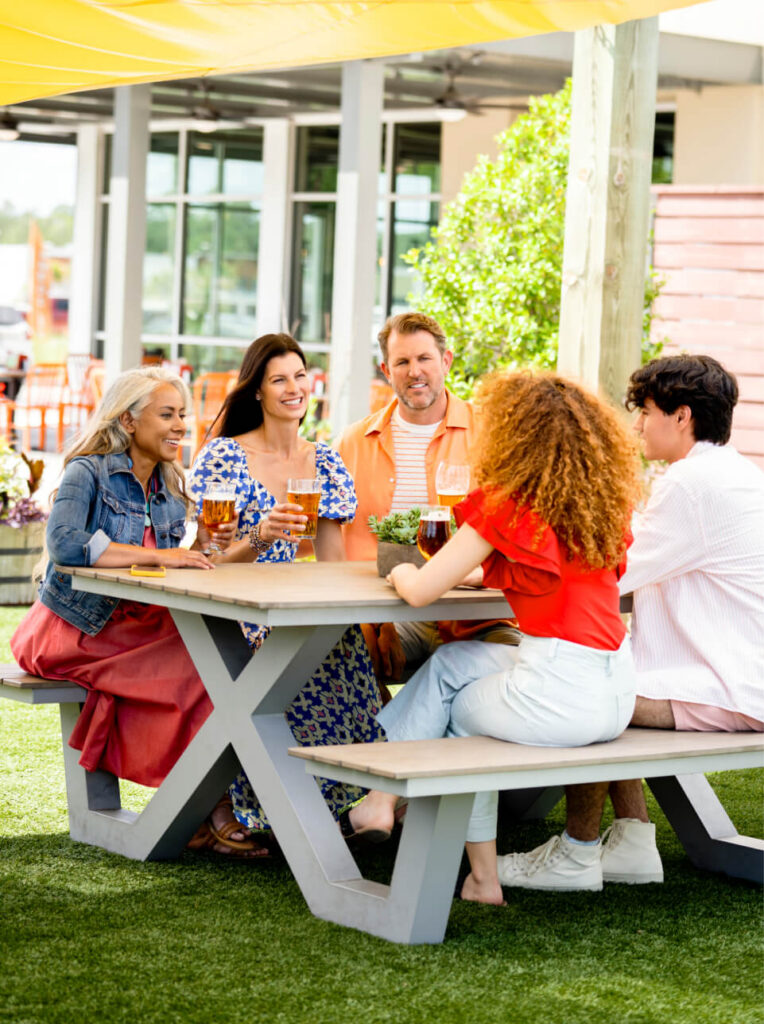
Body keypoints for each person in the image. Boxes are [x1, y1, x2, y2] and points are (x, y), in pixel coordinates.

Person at [342, 370, 642, 905]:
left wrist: (399, 573)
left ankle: (482, 879)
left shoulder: (504, 504)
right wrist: (468, 572)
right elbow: (548, 574)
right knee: (452, 663)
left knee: (457, 714)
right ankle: (382, 797)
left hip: (560, 695)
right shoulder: (598, 506)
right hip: (615, 689)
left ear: (511, 435)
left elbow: (418, 592)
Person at [500, 354, 764, 892]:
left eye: (645, 411)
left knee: (586, 690)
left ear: (681, 416)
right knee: (605, 676)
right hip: (735, 677)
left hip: (730, 687)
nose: (639, 425)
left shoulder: (692, 484)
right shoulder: (732, 471)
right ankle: (636, 843)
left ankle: (575, 853)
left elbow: (609, 573)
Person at [8, 367, 259, 856]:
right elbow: (64, 545)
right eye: (166, 414)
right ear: (128, 420)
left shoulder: (168, 485)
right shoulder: (88, 470)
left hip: (133, 623)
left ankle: (195, 805)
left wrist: (202, 545)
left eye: (182, 414)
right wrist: (163, 556)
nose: (180, 426)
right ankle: (209, 808)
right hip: (75, 626)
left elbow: (163, 561)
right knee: (194, 669)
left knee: (224, 657)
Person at [187, 332, 385, 843]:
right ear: (257, 391)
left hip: (299, 605)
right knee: (285, 658)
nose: (294, 387)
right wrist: (260, 536)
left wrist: (347, 614)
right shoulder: (223, 457)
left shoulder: (324, 461)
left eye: (300, 376)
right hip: (236, 610)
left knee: (339, 647)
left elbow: (332, 563)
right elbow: (208, 561)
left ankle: (350, 799)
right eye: (280, 379)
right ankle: (285, 809)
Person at [336, 311, 519, 684]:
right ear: (386, 370)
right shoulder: (352, 443)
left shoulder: (492, 435)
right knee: (337, 663)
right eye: (402, 361)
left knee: (515, 672)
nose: (414, 371)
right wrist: (372, 621)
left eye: (424, 359)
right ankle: (376, 738)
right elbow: (331, 544)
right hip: (387, 614)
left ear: (446, 361)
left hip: (480, 616)